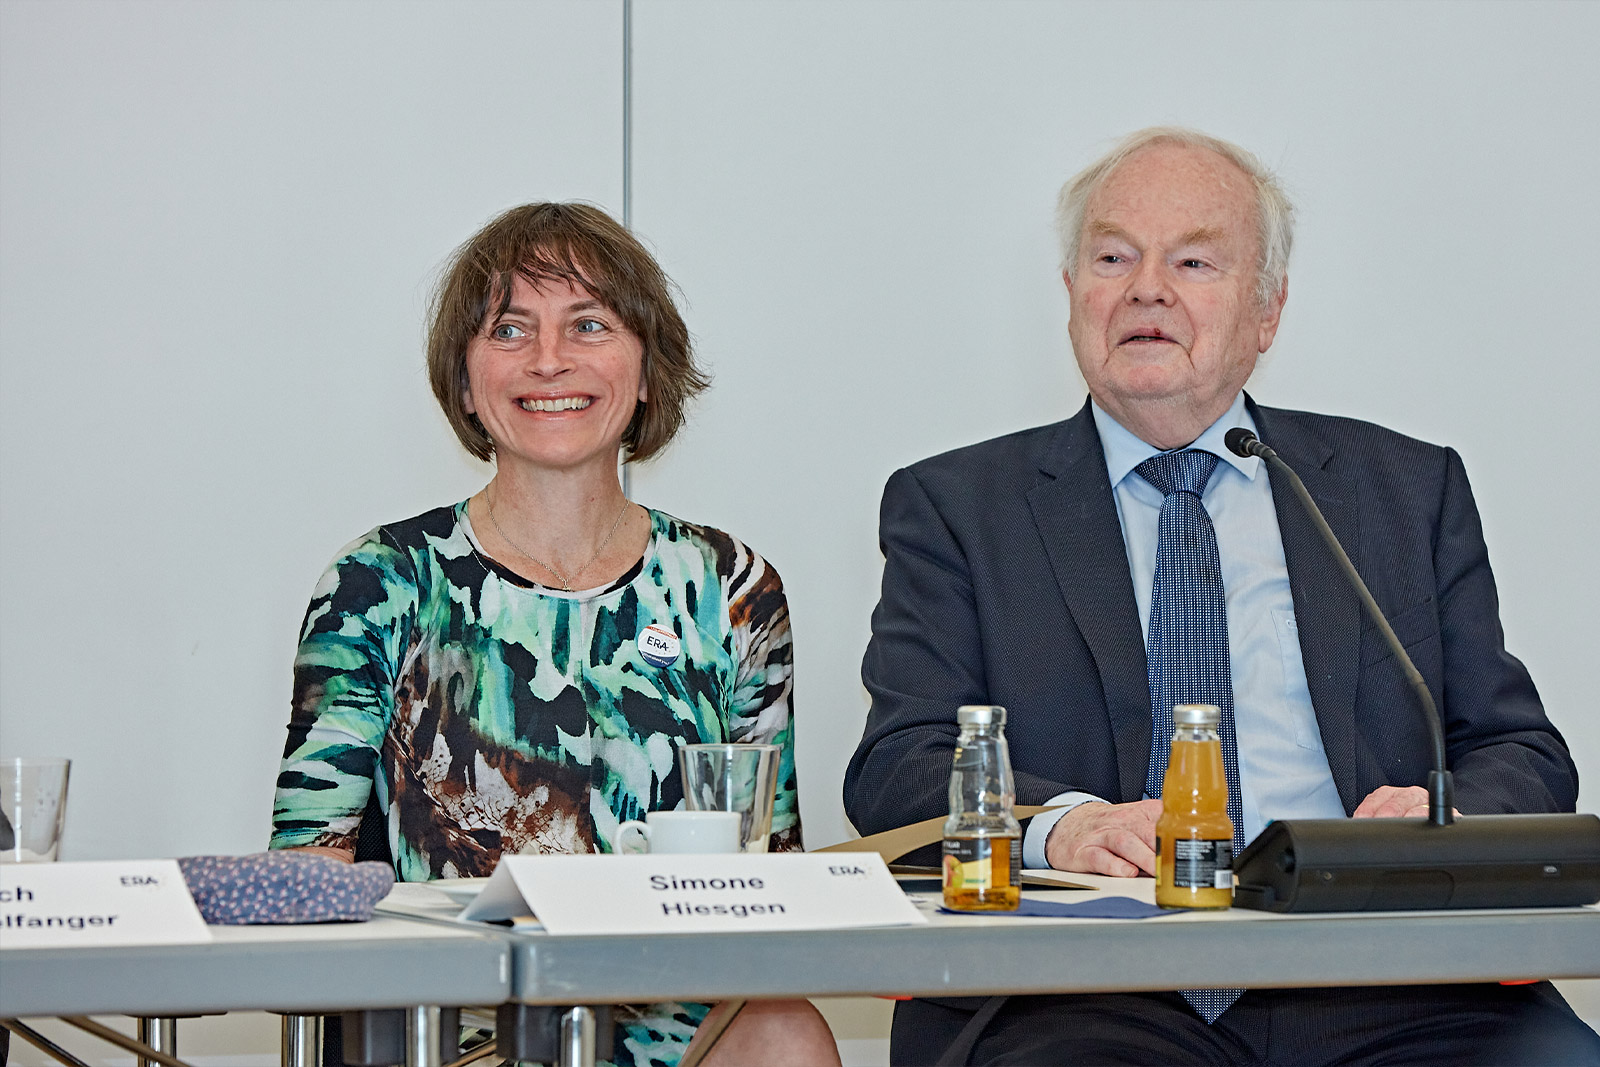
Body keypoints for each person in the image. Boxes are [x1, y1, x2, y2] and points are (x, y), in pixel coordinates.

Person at [844, 128, 1600, 1064]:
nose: (1146, 288)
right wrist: (1061, 826)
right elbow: (898, 766)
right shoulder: (958, 507)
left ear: (1267, 311)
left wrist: (1434, 819)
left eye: (1193, 261)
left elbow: (1523, 753)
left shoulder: (1402, 491)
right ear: (1073, 292)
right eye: (1113, 258)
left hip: (1389, 979)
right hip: (1082, 988)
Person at [270, 203, 839, 1067]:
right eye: (509, 329)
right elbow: (306, 874)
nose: (548, 359)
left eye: (588, 324)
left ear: (646, 372)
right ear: (466, 384)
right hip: (452, 1028)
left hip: (682, 1032)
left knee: (786, 1031)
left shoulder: (732, 586)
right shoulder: (380, 581)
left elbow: (771, 875)